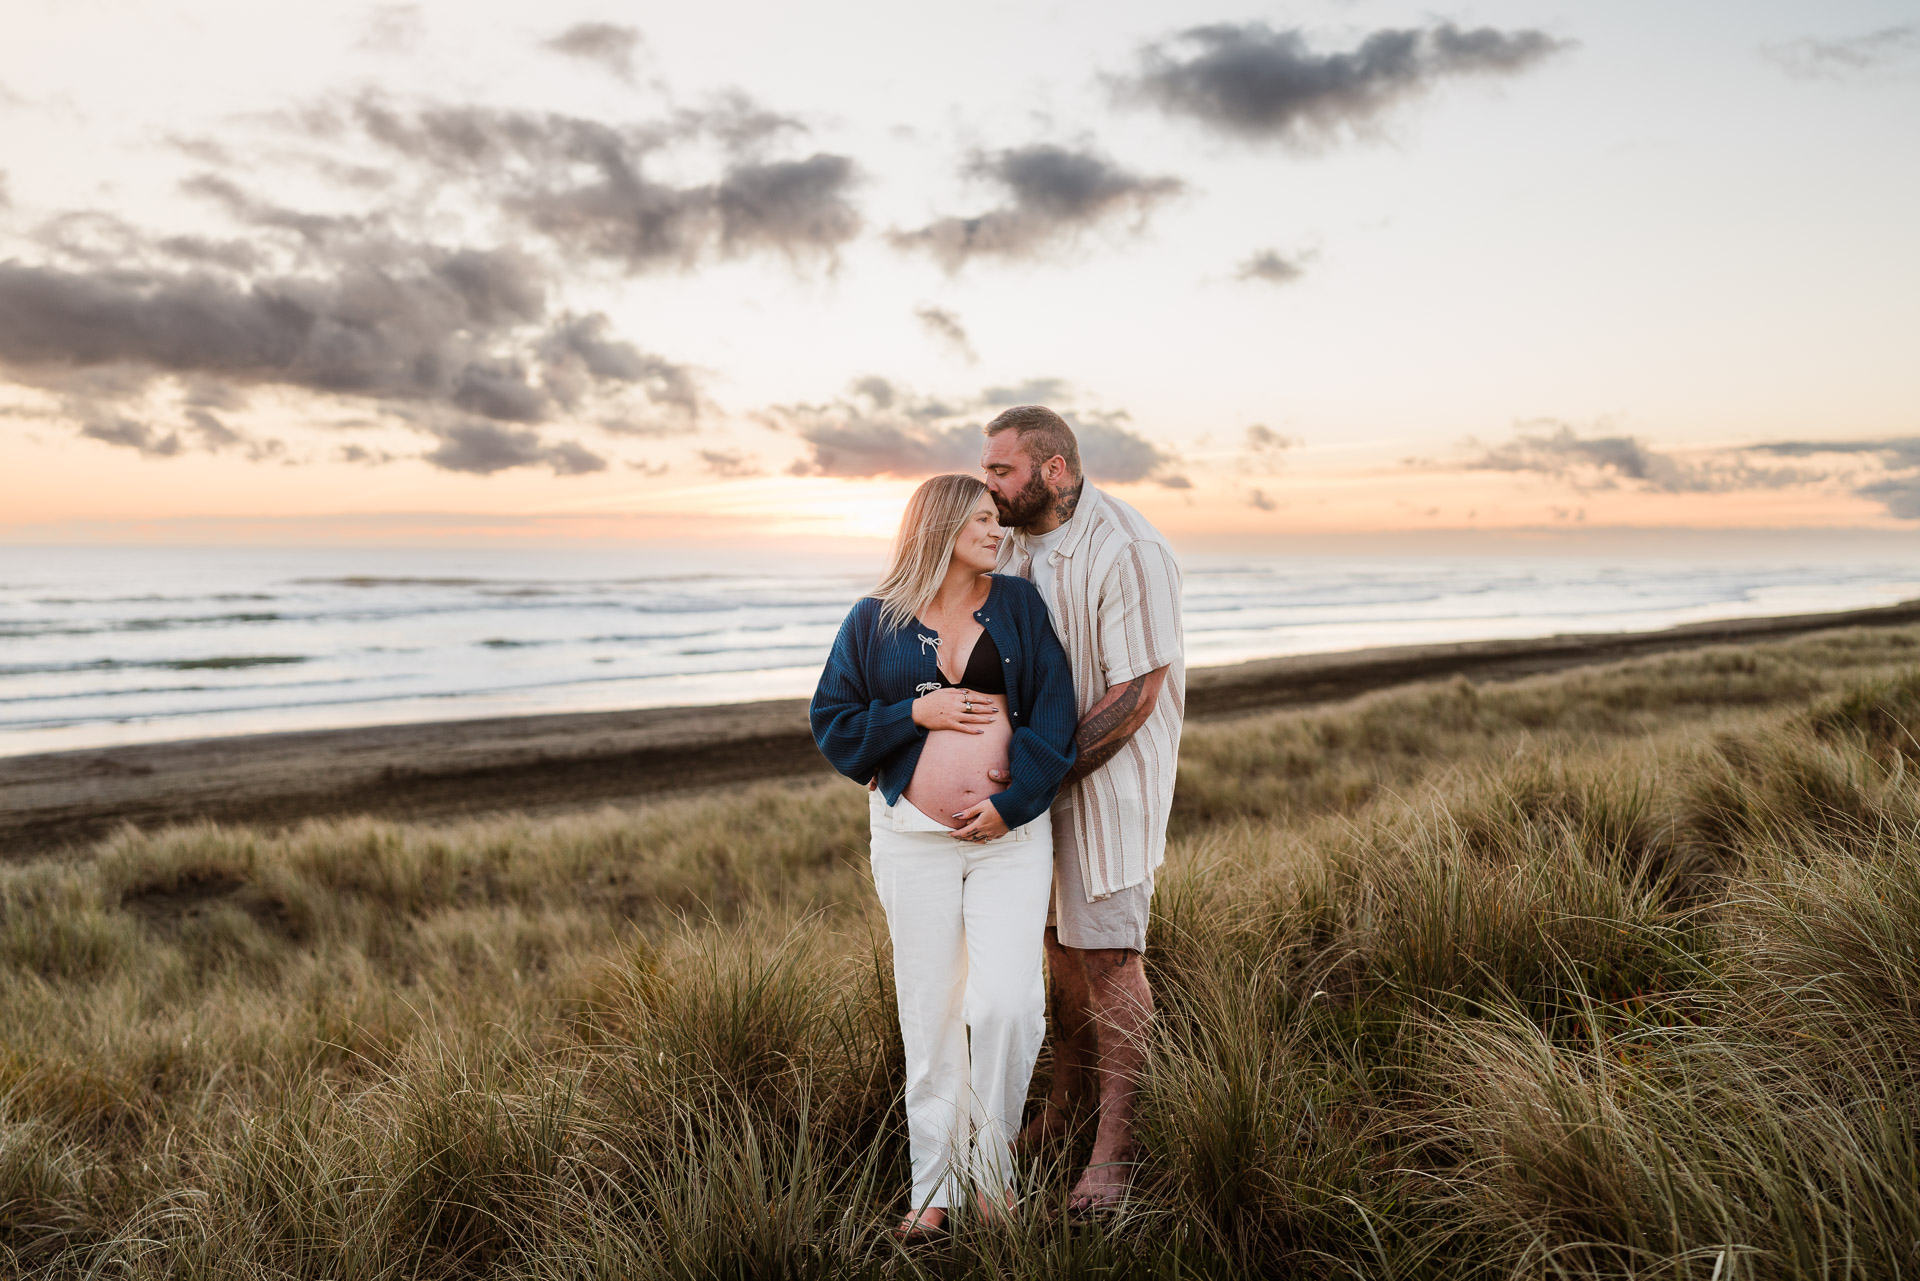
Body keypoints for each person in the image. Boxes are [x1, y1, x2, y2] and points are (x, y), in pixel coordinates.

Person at [810, 473, 1079, 1239]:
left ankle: (992, 1175)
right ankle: (935, 1190)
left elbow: (1054, 712)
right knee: (928, 1013)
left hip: (1011, 839)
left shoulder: (1020, 606)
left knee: (1007, 1004)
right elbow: (831, 718)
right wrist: (913, 712)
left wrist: (1011, 801)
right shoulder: (874, 619)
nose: (999, 531)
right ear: (941, 524)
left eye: (999, 520)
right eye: (984, 520)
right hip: (912, 842)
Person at [980, 404, 1184, 1214]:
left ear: (1052, 470)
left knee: (1108, 958)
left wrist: (1037, 774)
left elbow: (1136, 693)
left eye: (1001, 470)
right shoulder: (1018, 544)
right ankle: (1065, 1113)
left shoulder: (1127, 547)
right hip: (1042, 785)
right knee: (1058, 952)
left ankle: (1115, 1153)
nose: (988, 483)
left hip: (1111, 790)